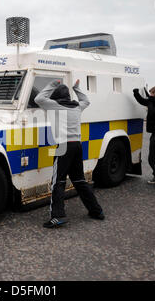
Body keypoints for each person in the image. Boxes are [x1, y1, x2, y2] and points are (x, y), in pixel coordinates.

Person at [34, 79, 104, 228]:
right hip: (77, 146)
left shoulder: (54, 105)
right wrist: (77, 88)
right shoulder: (77, 106)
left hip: (63, 146)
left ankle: (58, 216)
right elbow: (86, 100)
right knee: (79, 180)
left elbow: (38, 99)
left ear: (56, 96)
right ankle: (96, 211)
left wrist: (52, 84)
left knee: (57, 181)